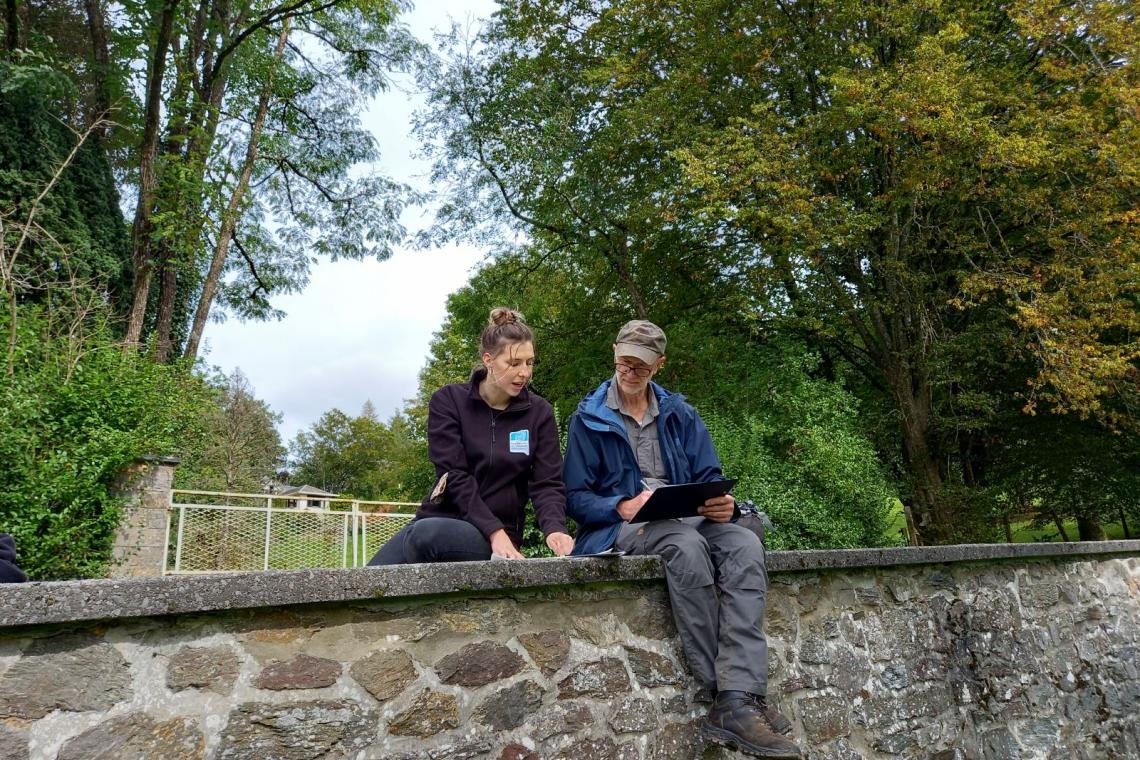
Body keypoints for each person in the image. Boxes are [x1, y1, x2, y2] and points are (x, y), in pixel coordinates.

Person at [562, 320, 801, 759]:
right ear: (614, 353)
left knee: (744, 544)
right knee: (685, 548)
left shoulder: (681, 412)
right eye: (623, 363)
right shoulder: (588, 417)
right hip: (625, 527)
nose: (630, 373)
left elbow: (709, 477)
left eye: (641, 367)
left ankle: (737, 699)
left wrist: (720, 504)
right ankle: (730, 694)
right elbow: (574, 498)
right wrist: (619, 506)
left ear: (660, 365)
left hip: (685, 517)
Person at [368, 308, 574, 565]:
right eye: (513, 363)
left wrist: (555, 528)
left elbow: (547, 483)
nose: (525, 373)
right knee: (363, 582)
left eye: (529, 362)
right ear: (488, 360)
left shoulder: (539, 413)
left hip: (499, 536)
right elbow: (453, 476)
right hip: (443, 521)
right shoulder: (448, 401)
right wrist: (493, 530)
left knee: (425, 537)